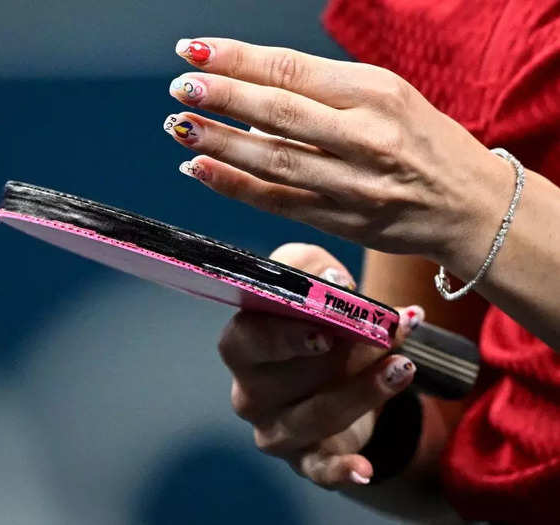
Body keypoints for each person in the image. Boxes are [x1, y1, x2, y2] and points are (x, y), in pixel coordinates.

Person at [161, 2, 560, 523]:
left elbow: (473, 208)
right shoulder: (451, 17)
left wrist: (483, 208)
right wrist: (359, 407)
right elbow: (451, 433)